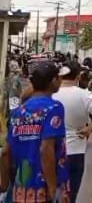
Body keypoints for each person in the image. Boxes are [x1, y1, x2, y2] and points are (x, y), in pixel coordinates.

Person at [0, 60, 70, 202]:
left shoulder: (19, 112)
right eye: (59, 77)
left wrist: (4, 184)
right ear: (52, 81)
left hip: (21, 190)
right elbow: (46, 149)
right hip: (45, 188)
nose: (61, 80)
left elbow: (6, 152)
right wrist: (52, 189)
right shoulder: (53, 108)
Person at [53, 61, 92, 203]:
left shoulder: (50, 95)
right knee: (70, 196)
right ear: (78, 76)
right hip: (75, 151)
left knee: (52, 195)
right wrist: (90, 128)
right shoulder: (84, 95)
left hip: (52, 151)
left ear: (59, 76)